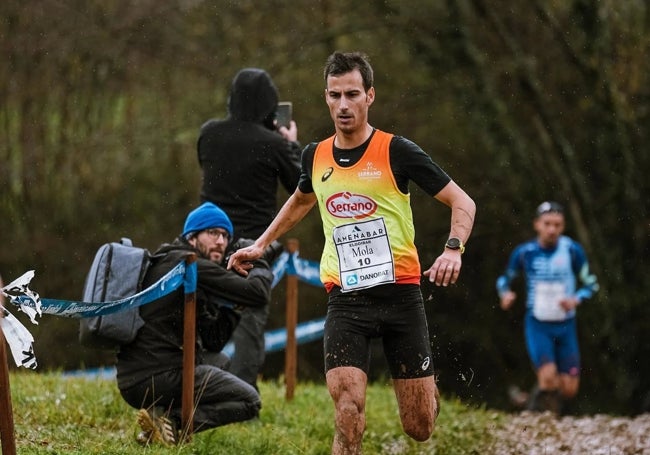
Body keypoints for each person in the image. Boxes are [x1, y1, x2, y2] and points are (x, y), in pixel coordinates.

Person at [228, 51, 476, 454]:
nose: (343, 105)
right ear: (325, 98)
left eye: (352, 94)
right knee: (347, 408)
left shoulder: (398, 151)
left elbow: (463, 202)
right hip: (347, 299)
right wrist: (260, 245)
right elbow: (301, 199)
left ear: (370, 96)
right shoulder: (315, 155)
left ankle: (428, 395)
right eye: (335, 95)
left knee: (419, 427)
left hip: (400, 296)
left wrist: (453, 249)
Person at [116, 202, 280, 445]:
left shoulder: (172, 260)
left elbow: (214, 339)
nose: (221, 242)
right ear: (192, 237)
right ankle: (172, 421)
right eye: (212, 233)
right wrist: (259, 256)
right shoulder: (191, 264)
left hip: (134, 378)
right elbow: (258, 294)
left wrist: (233, 303)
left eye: (225, 235)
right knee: (250, 401)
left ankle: (159, 424)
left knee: (221, 360)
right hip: (158, 375)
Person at [197, 68, 301, 390]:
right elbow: (301, 186)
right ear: (269, 105)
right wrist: (291, 145)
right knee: (249, 322)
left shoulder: (209, 133)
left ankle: (197, 383)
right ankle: (242, 395)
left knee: (200, 318)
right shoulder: (274, 144)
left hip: (207, 240)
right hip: (253, 243)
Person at [496, 201, 599, 414]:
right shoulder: (525, 253)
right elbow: (504, 280)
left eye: (557, 225)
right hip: (538, 324)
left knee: (569, 389)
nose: (552, 229)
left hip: (566, 324)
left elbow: (591, 284)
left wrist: (576, 299)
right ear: (537, 224)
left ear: (563, 226)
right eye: (547, 224)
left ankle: (529, 402)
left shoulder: (572, 250)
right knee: (548, 378)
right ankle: (540, 418)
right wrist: (506, 294)